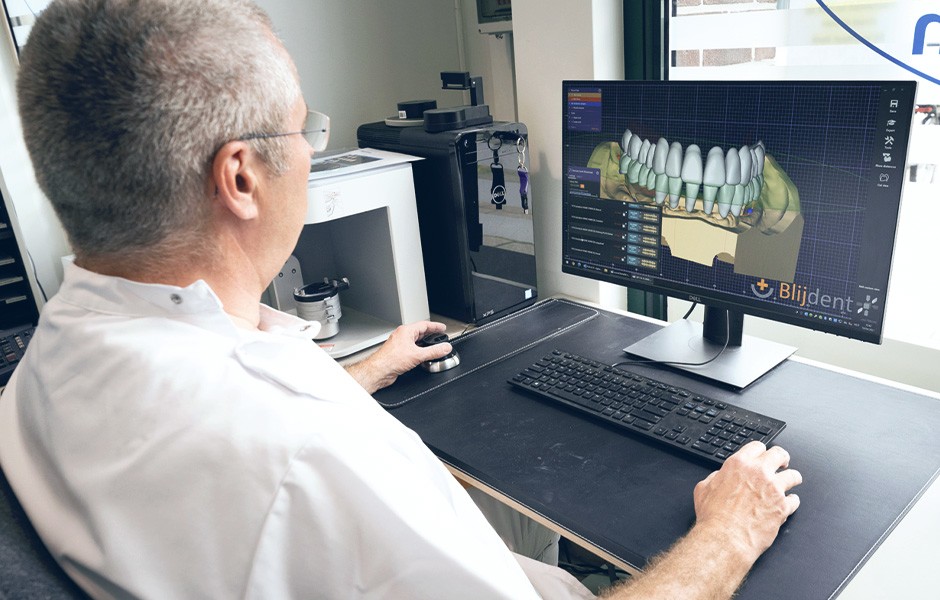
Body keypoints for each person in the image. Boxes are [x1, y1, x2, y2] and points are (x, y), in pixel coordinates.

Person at [0, 1, 801, 598]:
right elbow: (281, 457)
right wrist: (731, 530)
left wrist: (355, 377)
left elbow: (211, 448)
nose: (312, 155)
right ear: (240, 176)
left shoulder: (52, 356)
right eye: (303, 133)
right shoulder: (308, 450)